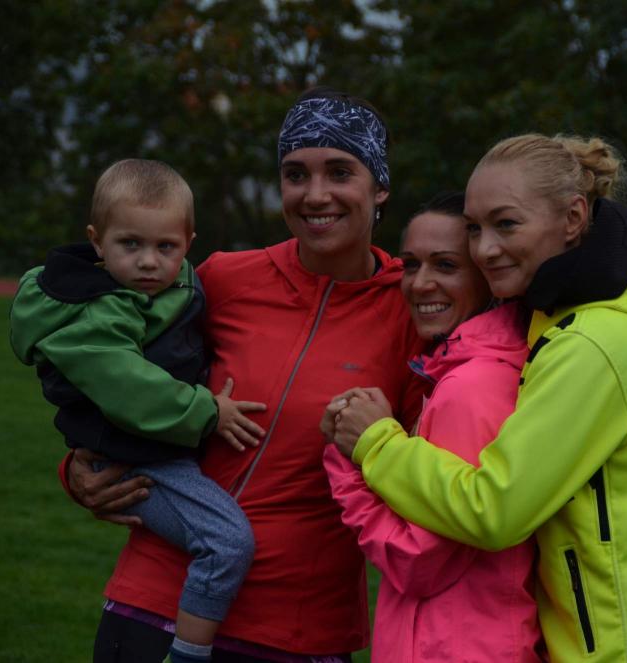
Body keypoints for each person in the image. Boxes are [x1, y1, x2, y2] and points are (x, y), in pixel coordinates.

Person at [326, 134, 627, 662]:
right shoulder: (605, 322)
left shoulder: (592, 346)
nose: (485, 249)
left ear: (573, 218)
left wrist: (374, 443)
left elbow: (494, 509)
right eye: (475, 229)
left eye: (506, 224)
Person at [61, 89, 427, 662]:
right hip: (155, 597)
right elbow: (111, 371)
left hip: (299, 626)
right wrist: (78, 470)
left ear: (380, 187)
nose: (315, 194)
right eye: (295, 174)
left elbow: (429, 468)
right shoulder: (222, 279)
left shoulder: (412, 308)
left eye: (340, 172)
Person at [10, 159, 268, 663]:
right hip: (142, 457)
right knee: (226, 541)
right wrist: (208, 411)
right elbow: (129, 388)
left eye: (165, 247)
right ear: (97, 241)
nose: (149, 262)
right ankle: (188, 655)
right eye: (130, 244)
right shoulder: (96, 308)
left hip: (153, 448)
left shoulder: (170, 285)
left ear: (188, 243)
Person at [321, 192, 542, 662]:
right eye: (410, 264)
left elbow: (417, 559)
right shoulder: (481, 369)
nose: (420, 283)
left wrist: (347, 458)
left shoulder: (471, 388)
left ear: (487, 275)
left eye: (445, 265)